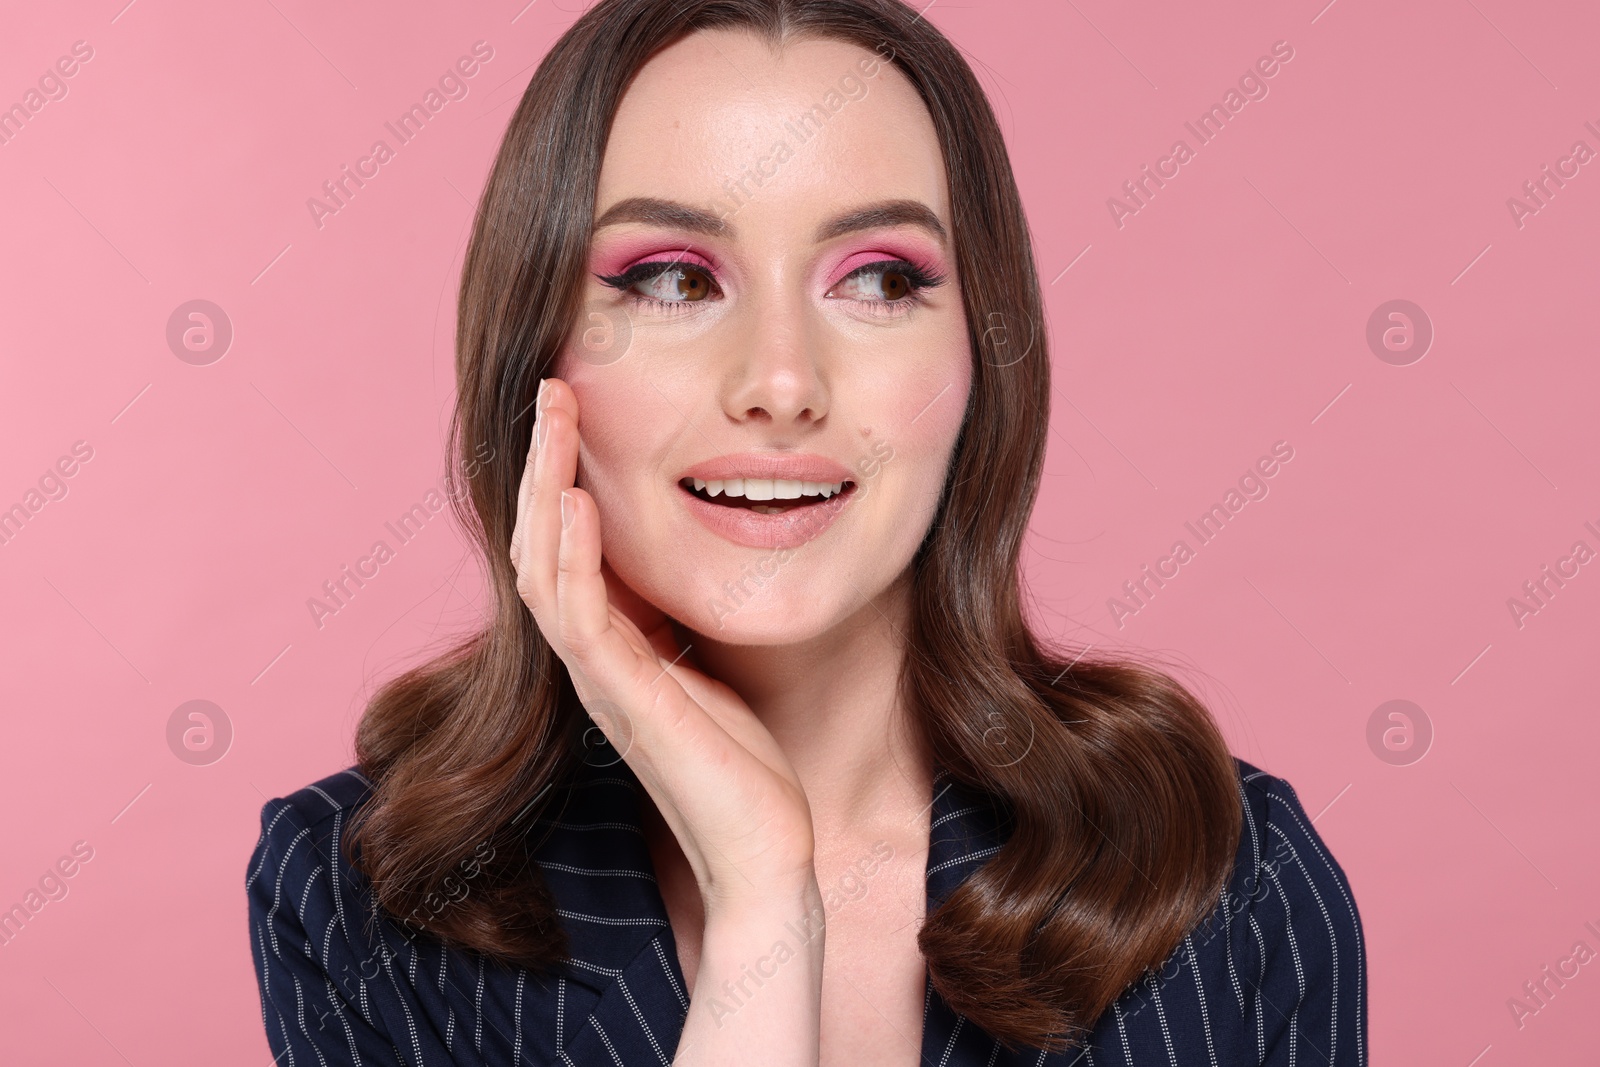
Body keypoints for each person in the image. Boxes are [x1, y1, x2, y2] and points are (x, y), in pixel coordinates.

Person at [247, 1, 1366, 1063]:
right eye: (674, 279)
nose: (781, 382)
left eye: (878, 278)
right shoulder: (365, 902)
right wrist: (761, 900)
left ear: (981, 359)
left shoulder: (1228, 884)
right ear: (533, 361)